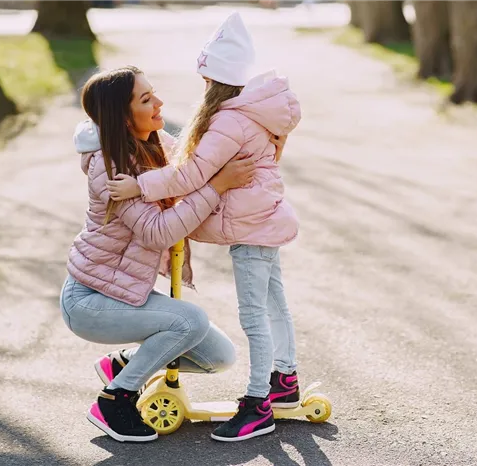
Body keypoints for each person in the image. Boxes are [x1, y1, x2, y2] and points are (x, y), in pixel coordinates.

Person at [105, 12, 302, 442]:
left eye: (206, 79)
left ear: (215, 79)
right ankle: (284, 381)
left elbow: (191, 175)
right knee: (274, 306)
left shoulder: (230, 119)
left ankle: (257, 405)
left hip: (253, 228)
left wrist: (138, 185)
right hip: (264, 220)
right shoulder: (253, 112)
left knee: (254, 316)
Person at [61, 65, 256, 443]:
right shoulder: (109, 167)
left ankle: (123, 365)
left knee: (218, 357)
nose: (159, 103)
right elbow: (157, 232)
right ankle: (115, 399)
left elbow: (192, 166)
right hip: (90, 300)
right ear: (121, 114)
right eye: (146, 99)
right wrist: (218, 186)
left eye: (154, 93)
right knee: (189, 322)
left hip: (124, 293)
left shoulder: (153, 143)